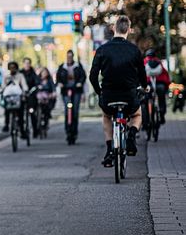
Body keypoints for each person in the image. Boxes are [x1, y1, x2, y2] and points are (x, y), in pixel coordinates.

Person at [89, 16, 146, 167]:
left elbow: (92, 75)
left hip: (109, 95)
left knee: (107, 116)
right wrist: (144, 87)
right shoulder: (134, 50)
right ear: (128, 29)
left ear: (114, 28)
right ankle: (132, 136)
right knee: (137, 114)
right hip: (129, 95)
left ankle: (109, 150)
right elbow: (142, 74)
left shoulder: (102, 50)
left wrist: (99, 91)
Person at [56, 50, 86, 143]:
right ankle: (68, 131)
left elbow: (83, 76)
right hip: (65, 91)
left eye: (70, 56)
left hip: (76, 90)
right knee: (67, 111)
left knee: (75, 111)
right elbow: (58, 77)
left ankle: (74, 131)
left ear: (73, 57)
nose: (69, 58)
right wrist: (60, 83)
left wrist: (80, 83)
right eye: (68, 56)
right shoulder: (62, 66)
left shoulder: (78, 66)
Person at [142, 49, 171, 124]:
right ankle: (161, 114)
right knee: (161, 99)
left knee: (145, 100)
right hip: (160, 85)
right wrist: (166, 86)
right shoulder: (158, 61)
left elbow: (140, 74)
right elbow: (165, 74)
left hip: (148, 85)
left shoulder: (144, 61)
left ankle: (146, 121)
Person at [2, 61, 29, 137]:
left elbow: (24, 85)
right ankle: (6, 124)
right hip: (9, 96)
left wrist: (25, 91)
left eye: (13, 68)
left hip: (18, 96)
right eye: (10, 68)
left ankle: (22, 130)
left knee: (20, 113)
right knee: (7, 109)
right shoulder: (6, 76)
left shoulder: (20, 76)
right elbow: (3, 86)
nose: (12, 69)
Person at [21, 57, 40, 137]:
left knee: (32, 112)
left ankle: (35, 130)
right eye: (25, 63)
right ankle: (22, 131)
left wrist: (36, 87)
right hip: (22, 95)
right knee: (20, 113)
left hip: (31, 95)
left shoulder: (33, 73)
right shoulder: (20, 73)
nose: (27, 65)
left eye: (28, 63)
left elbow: (37, 82)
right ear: (23, 64)